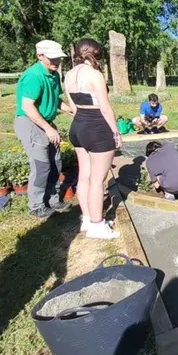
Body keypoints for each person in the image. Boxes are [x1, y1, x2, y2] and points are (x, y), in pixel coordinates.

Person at [63, 38, 122, 239]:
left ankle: (87, 219)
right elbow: (105, 107)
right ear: (97, 54)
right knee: (98, 181)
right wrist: (115, 132)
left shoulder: (69, 75)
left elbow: (74, 107)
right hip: (97, 129)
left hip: (78, 127)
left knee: (84, 176)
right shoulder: (95, 75)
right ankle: (98, 226)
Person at [14, 40, 73, 218]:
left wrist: (69, 109)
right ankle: (36, 205)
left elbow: (54, 98)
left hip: (46, 122)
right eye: (52, 58)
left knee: (55, 163)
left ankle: (52, 199)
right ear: (40, 56)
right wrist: (48, 129)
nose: (57, 62)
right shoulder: (33, 76)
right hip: (30, 123)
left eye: (59, 58)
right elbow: (27, 106)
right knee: (41, 166)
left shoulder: (53, 74)